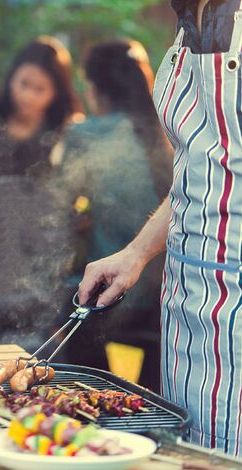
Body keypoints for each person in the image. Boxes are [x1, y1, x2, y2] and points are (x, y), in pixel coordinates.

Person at [78, 0, 242, 455]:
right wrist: (135, 254)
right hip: (186, 298)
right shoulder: (187, 23)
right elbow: (200, 171)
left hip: (236, 302)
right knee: (186, 449)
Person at [54, 39, 173, 391]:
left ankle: (95, 397)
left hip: (117, 297)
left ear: (93, 88)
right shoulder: (167, 130)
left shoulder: (84, 134)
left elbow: (59, 207)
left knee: (64, 304)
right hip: (167, 300)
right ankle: (148, 396)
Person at [0, 35, 83, 193]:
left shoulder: (67, 128)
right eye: (24, 83)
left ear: (56, 93)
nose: (28, 96)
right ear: (11, 78)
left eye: (40, 89)